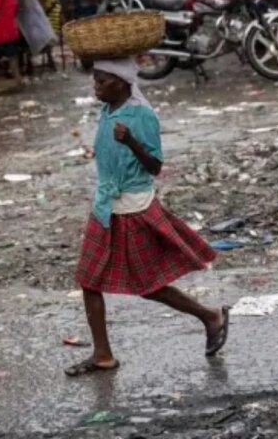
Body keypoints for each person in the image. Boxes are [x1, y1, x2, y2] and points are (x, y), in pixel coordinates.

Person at [67, 58, 229, 377]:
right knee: (88, 280)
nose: (95, 87)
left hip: (132, 208)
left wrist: (130, 141)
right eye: (95, 80)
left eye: (102, 81)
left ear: (122, 83)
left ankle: (211, 316)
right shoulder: (108, 109)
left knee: (148, 284)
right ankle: (102, 354)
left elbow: (155, 167)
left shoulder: (141, 115)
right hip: (105, 207)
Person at [30, 0, 62, 71]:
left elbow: (41, 10)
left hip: (50, 25)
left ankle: (31, 63)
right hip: (56, 24)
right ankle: (49, 59)